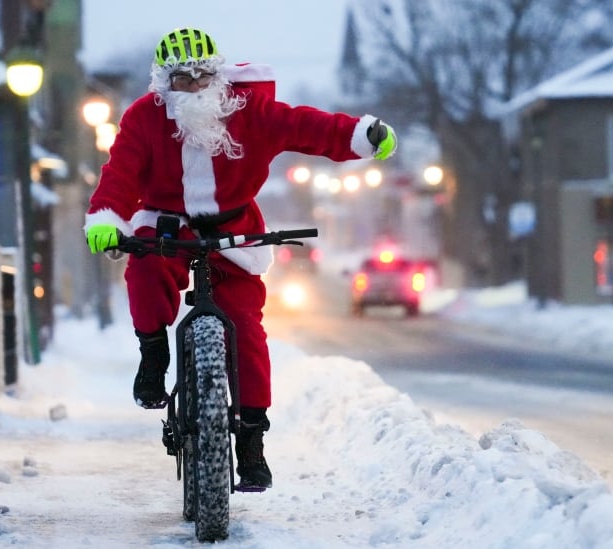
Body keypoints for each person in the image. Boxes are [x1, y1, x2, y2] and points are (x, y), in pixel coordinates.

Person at [84, 27, 397, 490]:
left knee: (246, 328)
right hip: (167, 223)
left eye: (202, 75)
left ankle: (251, 442)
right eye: (180, 79)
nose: (193, 86)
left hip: (235, 227)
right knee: (146, 270)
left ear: (218, 73)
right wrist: (107, 217)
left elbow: (304, 126)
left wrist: (359, 136)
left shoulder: (249, 110)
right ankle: (153, 358)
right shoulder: (142, 118)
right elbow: (121, 173)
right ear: (163, 82)